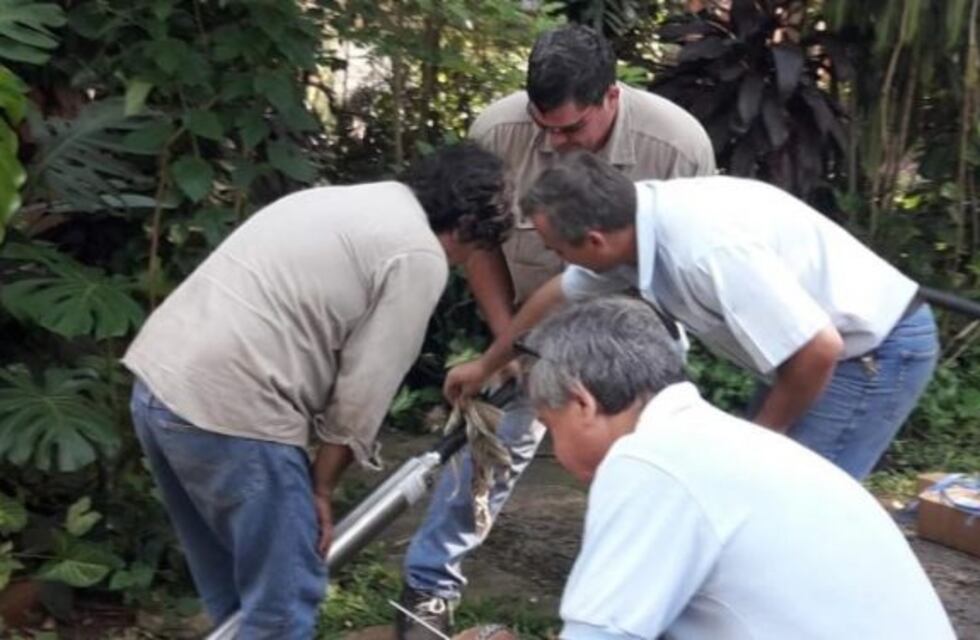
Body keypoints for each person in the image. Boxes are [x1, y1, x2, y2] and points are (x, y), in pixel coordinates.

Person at [398, 24, 715, 637]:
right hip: (531, 317)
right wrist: (504, 346)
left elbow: (681, 264)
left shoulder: (676, 145)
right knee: (491, 438)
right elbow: (480, 244)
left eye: (574, 129)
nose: (559, 143)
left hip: (636, 327)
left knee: (639, 463)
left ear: (611, 97)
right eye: (546, 129)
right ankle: (429, 585)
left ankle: (634, 602)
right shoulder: (497, 133)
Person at [123, 143, 512, 639]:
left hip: (161, 387)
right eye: (472, 252)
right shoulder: (418, 253)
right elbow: (363, 395)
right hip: (235, 412)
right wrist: (320, 488)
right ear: (467, 227)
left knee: (239, 603)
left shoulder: (338, 202)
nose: (461, 264)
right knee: (284, 601)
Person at [446, 151, 939, 484]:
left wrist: (757, 445)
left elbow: (819, 348)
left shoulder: (703, 251)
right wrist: (486, 365)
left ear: (594, 240)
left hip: (871, 351)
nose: (563, 261)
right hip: (808, 353)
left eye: (560, 250)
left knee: (793, 502)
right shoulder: (632, 233)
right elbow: (555, 297)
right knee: (755, 493)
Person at [480, 296, 953, 640]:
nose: (557, 454)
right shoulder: (732, 445)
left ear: (582, 402)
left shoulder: (650, 460)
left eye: (549, 425)